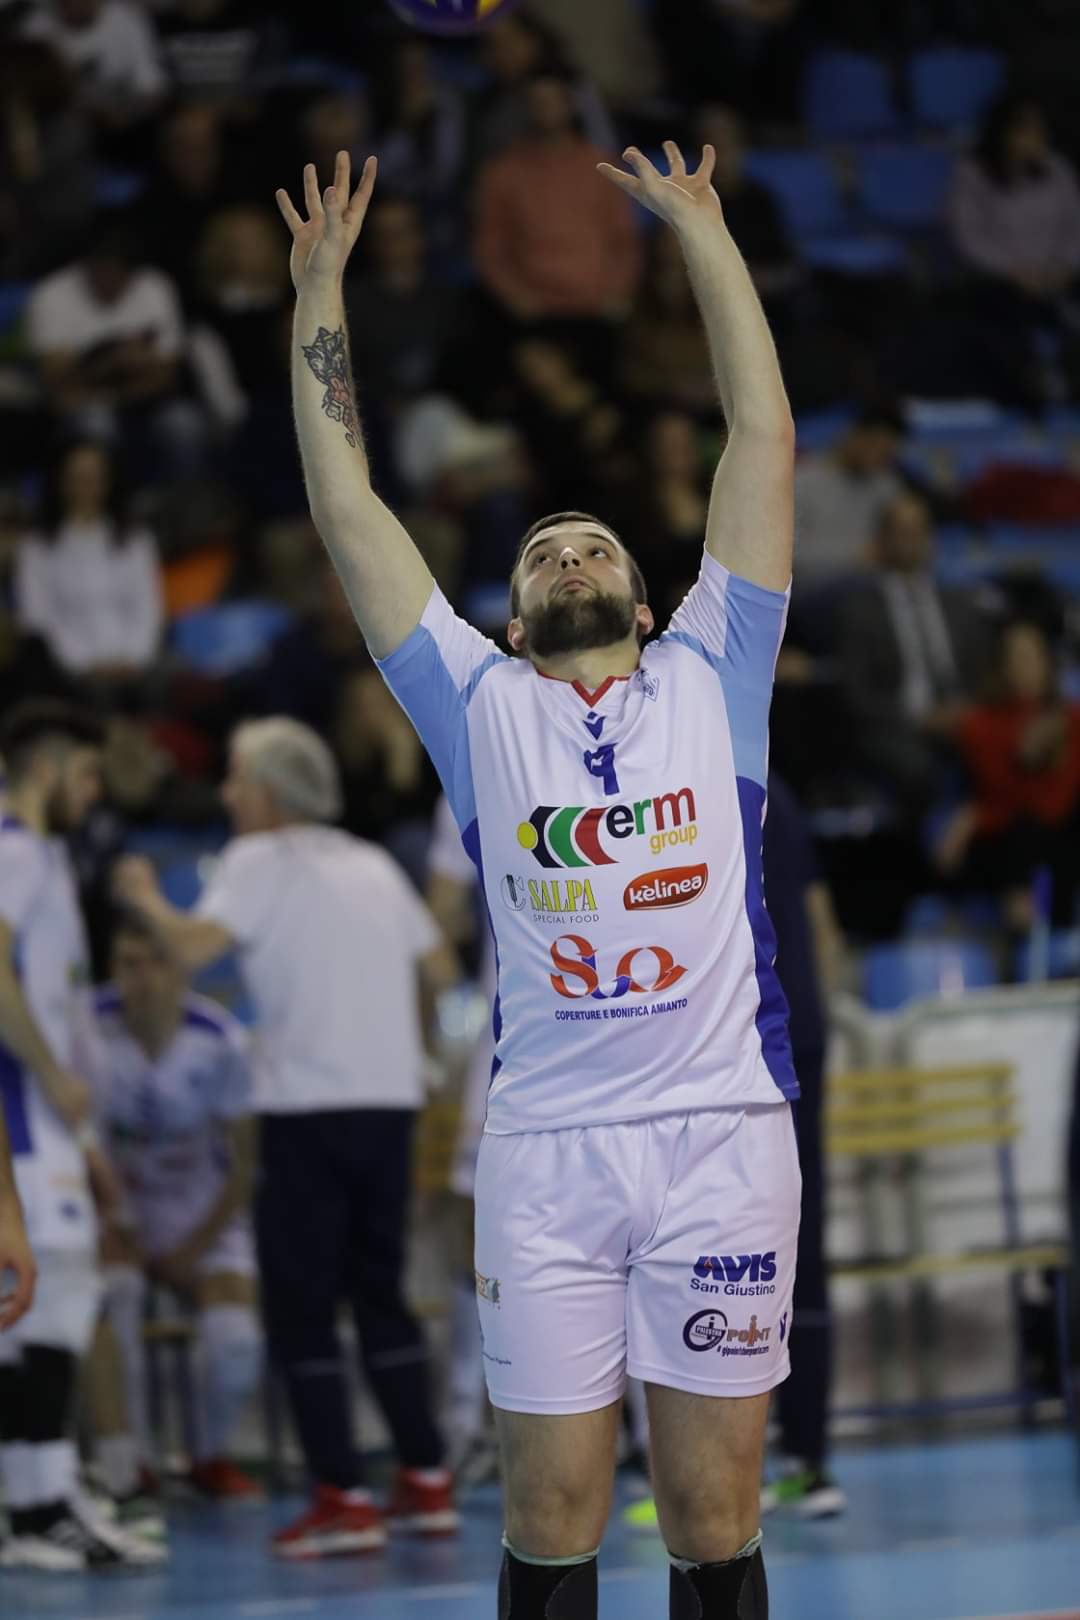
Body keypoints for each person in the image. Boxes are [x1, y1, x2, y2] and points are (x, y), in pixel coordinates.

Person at [275, 135, 797, 1618]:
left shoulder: (717, 668)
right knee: (554, 1517)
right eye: (544, 555)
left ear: (647, 598)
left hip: (720, 1134)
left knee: (711, 1516)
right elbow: (348, 504)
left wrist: (700, 233)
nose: (571, 558)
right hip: (548, 1152)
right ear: (508, 622)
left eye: (595, 548)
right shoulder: (476, 704)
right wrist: (320, 292)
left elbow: (761, 436)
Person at [113, 717, 460, 1558]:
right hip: (388, 1106)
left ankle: (342, 1498)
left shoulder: (256, 860)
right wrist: (414, 1055)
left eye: (236, 778)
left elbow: (192, 949)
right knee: (379, 1296)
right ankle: (425, 1480)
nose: (227, 793)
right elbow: (440, 969)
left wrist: (143, 895)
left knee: (302, 1307)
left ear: (268, 792)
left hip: (306, 1112)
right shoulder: (373, 862)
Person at [0, 700, 160, 1571]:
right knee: (52, 1300)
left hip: (47, 1122)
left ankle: (37, 1503)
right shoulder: (17, 852)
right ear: (50, 765)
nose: (95, 793)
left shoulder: (41, 858)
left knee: (33, 1313)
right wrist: (53, 1078)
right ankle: (40, 1505)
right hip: (23, 1117)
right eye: (88, 774)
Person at [84, 910, 262, 1505]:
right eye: (126, 965)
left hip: (202, 1209)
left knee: (235, 1339)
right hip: (115, 1203)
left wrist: (198, 1243)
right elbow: (76, 1135)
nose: (141, 978)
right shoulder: (88, 1027)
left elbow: (246, 1161)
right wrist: (113, 1218)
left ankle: (210, 1456)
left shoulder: (220, 1038)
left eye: (155, 962)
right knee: (113, 1298)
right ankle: (132, 1461)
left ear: (180, 968)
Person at [838, 490, 991, 817]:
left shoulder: (960, 603)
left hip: (963, 719)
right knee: (918, 769)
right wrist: (919, 719)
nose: (911, 540)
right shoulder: (859, 609)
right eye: (902, 531)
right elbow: (857, 694)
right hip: (896, 725)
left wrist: (967, 711)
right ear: (883, 540)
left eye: (919, 531)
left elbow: (984, 673)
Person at [936, 620, 1080, 932]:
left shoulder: (1070, 719)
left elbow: (1057, 806)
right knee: (1024, 836)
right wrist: (1023, 760)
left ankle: (1052, 934)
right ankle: (1026, 932)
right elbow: (1000, 796)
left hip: (1056, 838)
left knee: (1054, 834)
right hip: (1006, 842)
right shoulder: (979, 726)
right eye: (1016, 659)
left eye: (1033, 657)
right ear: (1000, 667)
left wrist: (974, 816)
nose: (1026, 668)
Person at [13, 438, 163, 695]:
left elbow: (149, 609)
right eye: (77, 478)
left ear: (108, 481)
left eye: (94, 478)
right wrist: (83, 664)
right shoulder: (36, 547)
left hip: (134, 667)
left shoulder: (137, 540)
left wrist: (133, 659)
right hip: (65, 671)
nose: (85, 487)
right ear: (61, 482)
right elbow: (39, 618)